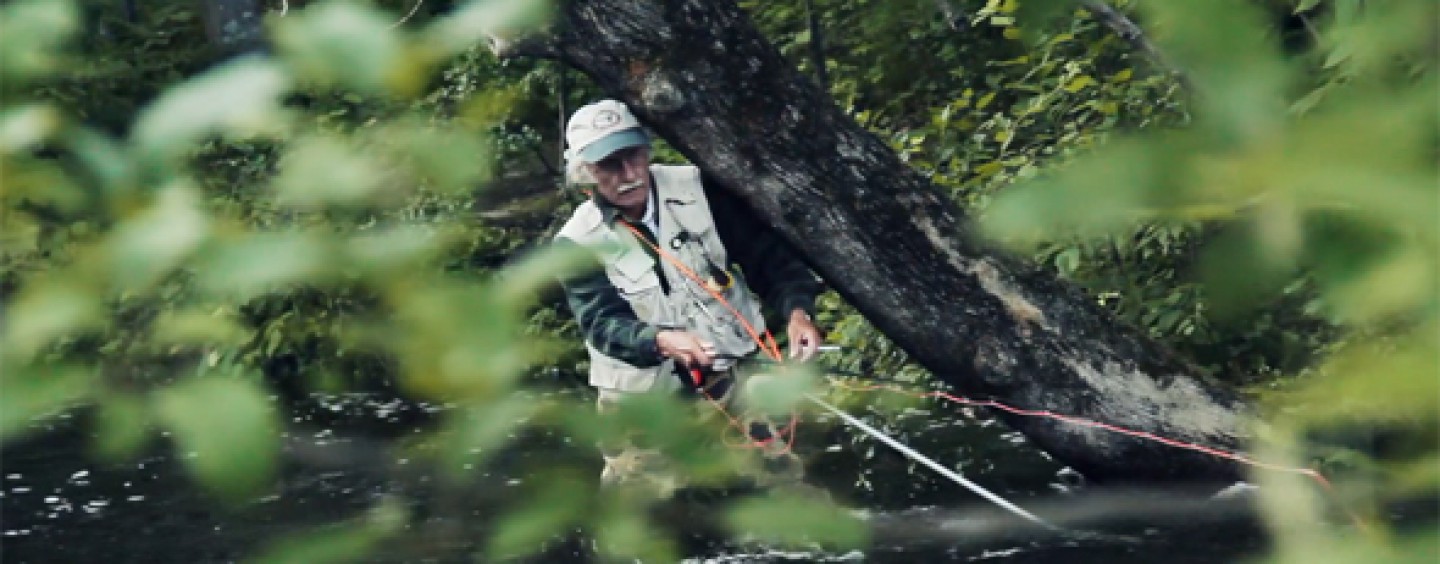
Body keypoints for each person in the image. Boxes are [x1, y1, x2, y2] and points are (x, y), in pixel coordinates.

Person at [554, 99, 823, 496]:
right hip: (640, 401)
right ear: (585, 173)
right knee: (641, 518)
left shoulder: (701, 188)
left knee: (782, 484)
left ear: (646, 150)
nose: (628, 174)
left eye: (633, 156)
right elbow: (602, 324)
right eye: (610, 165)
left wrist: (798, 313)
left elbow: (769, 260)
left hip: (730, 378)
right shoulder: (575, 243)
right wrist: (661, 341)